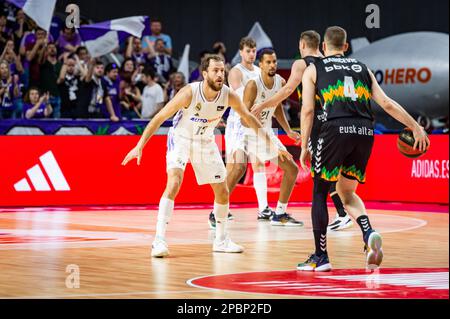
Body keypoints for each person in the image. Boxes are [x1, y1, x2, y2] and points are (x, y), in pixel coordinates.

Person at [122, 54, 292, 258]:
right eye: (215, 71)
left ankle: (221, 240)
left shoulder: (228, 95)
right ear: (205, 74)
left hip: (205, 140)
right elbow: (159, 117)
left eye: (222, 71)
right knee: (174, 182)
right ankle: (158, 240)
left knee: (222, 190)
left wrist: (273, 143)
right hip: (181, 138)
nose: (220, 74)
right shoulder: (189, 93)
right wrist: (140, 145)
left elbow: (249, 118)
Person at [297, 26, 430, 272]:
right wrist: (416, 126)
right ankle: (368, 232)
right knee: (347, 193)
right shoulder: (362, 67)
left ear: (324, 47)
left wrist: (305, 145)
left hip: (334, 130)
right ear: (346, 47)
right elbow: (387, 104)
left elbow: (307, 110)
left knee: (319, 192)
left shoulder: (314, 68)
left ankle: (321, 256)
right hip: (365, 132)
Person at [252, 30, 352, 231]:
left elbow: (287, 90)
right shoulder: (327, 62)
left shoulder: (302, 63)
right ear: (321, 45)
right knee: (329, 169)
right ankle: (341, 213)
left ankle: (342, 214)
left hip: (316, 121)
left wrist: (263, 105)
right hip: (336, 118)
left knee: (320, 171)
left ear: (302, 44)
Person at [233, 48, 303, 227]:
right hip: (246, 131)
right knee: (238, 170)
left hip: (264, 131)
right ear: (261, 65)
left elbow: (277, 107)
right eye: (268, 62)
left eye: (275, 61)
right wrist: (271, 144)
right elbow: (244, 118)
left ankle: (279, 213)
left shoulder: (280, 82)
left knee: (292, 169)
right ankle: (216, 211)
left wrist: (287, 131)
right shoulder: (252, 85)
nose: (273, 65)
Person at [215, 37, 272, 226]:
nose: (252, 54)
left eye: (254, 50)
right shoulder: (236, 72)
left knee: (259, 163)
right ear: (241, 52)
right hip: (237, 122)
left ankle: (263, 208)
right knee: (235, 166)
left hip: (255, 120)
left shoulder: (258, 71)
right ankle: (221, 206)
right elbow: (239, 96)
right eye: (248, 50)